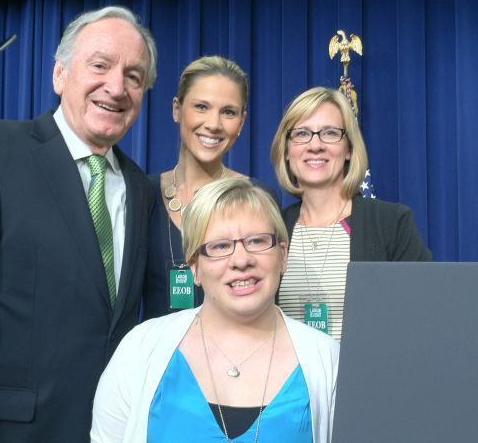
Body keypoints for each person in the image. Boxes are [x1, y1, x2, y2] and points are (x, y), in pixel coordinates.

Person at [0, 6, 157, 443]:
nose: (116, 87)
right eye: (100, 65)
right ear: (60, 75)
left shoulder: (141, 188)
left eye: (134, 76)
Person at [91, 178, 339, 443]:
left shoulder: (330, 361)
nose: (241, 260)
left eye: (256, 241)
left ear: (283, 255)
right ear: (194, 266)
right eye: (220, 246)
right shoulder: (139, 349)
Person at [270, 87, 431, 340]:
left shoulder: (392, 223)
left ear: (348, 149)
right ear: (287, 150)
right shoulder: (270, 228)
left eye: (330, 133)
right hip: (290, 379)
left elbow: (423, 313)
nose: (315, 145)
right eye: (302, 134)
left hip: (369, 377)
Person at [144, 56, 273, 319]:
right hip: (161, 357)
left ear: (242, 121)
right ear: (176, 109)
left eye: (228, 112)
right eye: (202, 107)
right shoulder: (141, 194)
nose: (213, 124)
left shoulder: (259, 198)